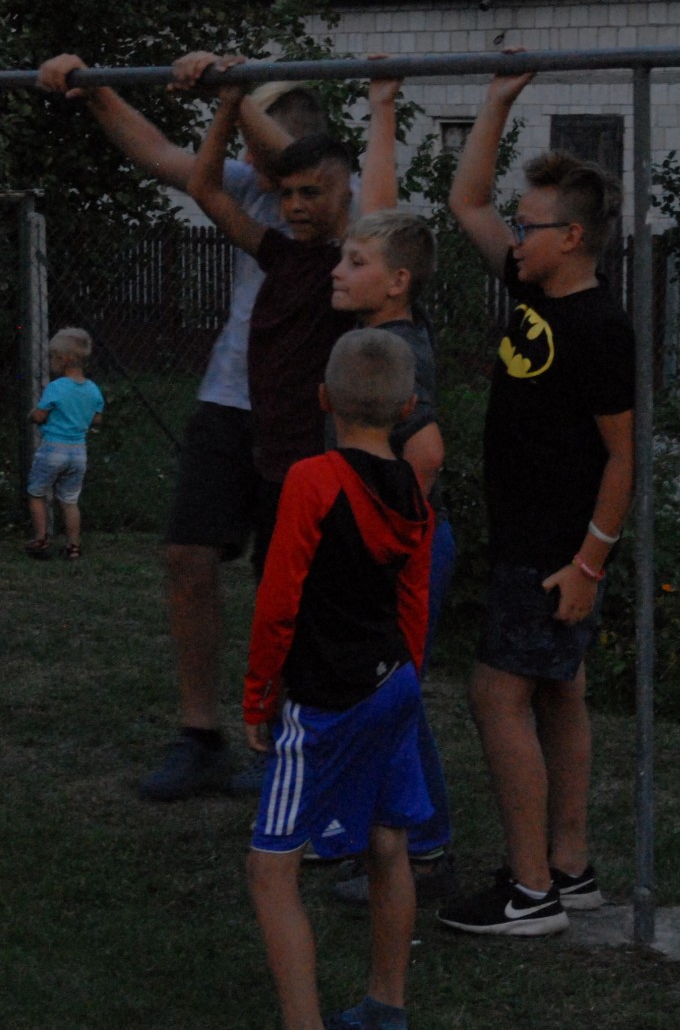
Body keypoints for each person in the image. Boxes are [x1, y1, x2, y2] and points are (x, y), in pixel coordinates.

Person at [36, 51, 327, 800]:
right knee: (185, 556)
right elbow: (160, 154)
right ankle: (200, 736)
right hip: (226, 403)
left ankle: (286, 736)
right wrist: (93, 87)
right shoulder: (247, 185)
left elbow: (285, 160)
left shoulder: (328, 205)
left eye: (260, 153)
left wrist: (232, 96)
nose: (251, 169)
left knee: (288, 585)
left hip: (302, 418)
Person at [436, 64, 633, 936]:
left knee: (496, 694)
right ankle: (569, 866)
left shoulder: (601, 329)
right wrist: (499, 101)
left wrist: (588, 563)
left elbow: (624, 457)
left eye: (531, 225)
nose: (515, 234)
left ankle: (529, 890)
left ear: (574, 236)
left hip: (554, 548)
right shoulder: (529, 287)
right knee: (558, 691)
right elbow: (467, 201)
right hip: (528, 535)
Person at [187, 69, 390, 792]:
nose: (297, 205)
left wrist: (384, 106)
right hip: (273, 457)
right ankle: (278, 739)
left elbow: (379, 206)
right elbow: (206, 189)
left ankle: (314, 746)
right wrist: (225, 105)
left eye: (313, 193)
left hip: (317, 461)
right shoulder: (279, 251)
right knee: (278, 598)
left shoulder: (352, 263)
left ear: (344, 194)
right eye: (289, 194)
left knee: (313, 605)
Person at [245, 330, 434, 1030]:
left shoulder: (312, 480)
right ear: (408, 408)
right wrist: (405, 678)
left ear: (323, 398)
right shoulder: (413, 490)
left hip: (325, 699)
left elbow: (278, 600)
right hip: (393, 685)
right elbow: (414, 600)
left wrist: (259, 695)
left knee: (271, 869)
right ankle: (388, 1006)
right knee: (389, 843)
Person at [320, 82, 459, 906]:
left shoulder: (393, 351)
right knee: (377, 690)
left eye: (355, 263)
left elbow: (427, 454)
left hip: (403, 548)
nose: (338, 270)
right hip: (392, 543)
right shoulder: (384, 326)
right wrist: (381, 108)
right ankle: (382, 836)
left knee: (393, 696)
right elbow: (381, 211)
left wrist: (379, 545)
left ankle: (427, 851)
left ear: (397, 281)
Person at [24, 327, 106, 562]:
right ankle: (73, 547)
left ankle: (41, 539)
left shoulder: (57, 387)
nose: (51, 361)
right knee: (70, 500)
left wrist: (31, 415)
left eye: (53, 357)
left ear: (64, 359)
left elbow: (40, 415)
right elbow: (97, 419)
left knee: (36, 492)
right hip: (78, 452)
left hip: (53, 449)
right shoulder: (92, 389)